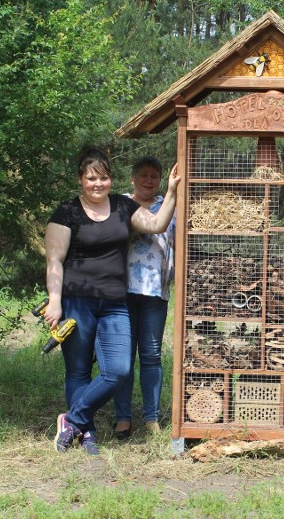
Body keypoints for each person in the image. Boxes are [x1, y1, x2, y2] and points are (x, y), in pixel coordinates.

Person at [44, 146, 180, 454]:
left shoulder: (123, 206)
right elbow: (54, 260)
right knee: (78, 370)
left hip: (115, 303)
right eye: (91, 178)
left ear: (110, 180)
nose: (97, 184)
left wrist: (171, 190)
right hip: (77, 301)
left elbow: (157, 225)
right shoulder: (66, 212)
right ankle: (86, 432)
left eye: (103, 178)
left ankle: (72, 419)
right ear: (81, 179)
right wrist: (55, 301)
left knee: (117, 370)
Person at [111, 156, 175, 439]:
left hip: (155, 292)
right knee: (123, 358)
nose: (149, 181)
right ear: (133, 178)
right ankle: (123, 417)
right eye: (144, 175)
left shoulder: (169, 205)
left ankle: (151, 417)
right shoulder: (120, 204)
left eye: (154, 176)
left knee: (151, 356)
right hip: (121, 291)